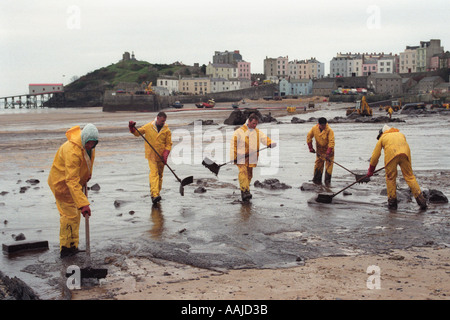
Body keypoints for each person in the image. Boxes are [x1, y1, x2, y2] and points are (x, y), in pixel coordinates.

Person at [48, 124, 99, 258]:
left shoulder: (89, 148)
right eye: (88, 143)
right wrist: (84, 204)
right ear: (84, 139)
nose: (90, 146)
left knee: (75, 216)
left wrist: (88, 175)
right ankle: (66, 249)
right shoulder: (72, 151)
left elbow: (88, 162)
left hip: (75, 184)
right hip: (62, 184)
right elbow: (70, 180)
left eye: (93, 144)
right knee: (69, 216)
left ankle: (73, 245)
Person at [367, 124, 427, 210]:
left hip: (391, 156)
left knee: (390, 178)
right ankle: (422, 201)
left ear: (382, 133)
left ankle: (392, 203)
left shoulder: (383, 137)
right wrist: (409, 163)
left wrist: (371, 170)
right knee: (410, 177)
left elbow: (375, 156)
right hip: (405, 155)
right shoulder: (401, 134)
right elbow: (407, 148)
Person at [231, 113, 277, 202]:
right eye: (253, 123)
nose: (255, 125)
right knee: (243, 172)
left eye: (256, 124)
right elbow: (233, 145)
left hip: (252, 157)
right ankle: (245, 191)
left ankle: (245, 190)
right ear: (249, 121)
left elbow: (264, 138)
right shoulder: (239, 132)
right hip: (240, 157)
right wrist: (234, 156)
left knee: (249, 175)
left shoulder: (257, 132)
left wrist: (270, 143)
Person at [129, 112, 172, 205]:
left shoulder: (166, 130)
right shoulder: (148, 126)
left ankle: (156, 193)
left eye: (164, 121)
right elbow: (137, 133)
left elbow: (168, 144)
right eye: (162, 121)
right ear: (157, 118)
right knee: (154, 174)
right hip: (151, 155)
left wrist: (166, 154)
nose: (163, 123)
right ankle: (155, 194)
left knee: (160, 175)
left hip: (161, 156)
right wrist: (131, 128)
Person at [307, 117, 335, 185]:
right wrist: (310, 147)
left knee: (329, 168)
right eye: (322, 125)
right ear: (318, 124)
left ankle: (327, 183)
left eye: (324, 125)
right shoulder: (314, 128)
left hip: (329, 151)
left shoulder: (329, 130)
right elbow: (309, 137)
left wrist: (328, 154)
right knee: (318, 166)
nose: (323, 127)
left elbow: (331, 142)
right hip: (319, 151)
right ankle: (317, 181)